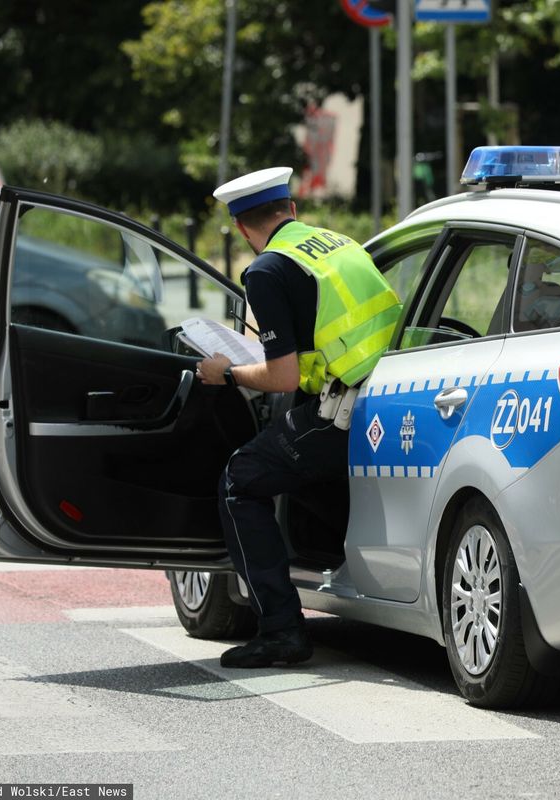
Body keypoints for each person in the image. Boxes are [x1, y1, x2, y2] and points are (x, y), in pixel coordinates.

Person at [197, 167, 401, 668]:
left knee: (239, 481)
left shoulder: (266, 271)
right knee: (298, 474)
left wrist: (228, 373)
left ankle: (281, 630)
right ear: (291, 210)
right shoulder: (338, 244)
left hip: (343, 412)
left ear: (243, 228)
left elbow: (283, 377)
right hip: (393, 394)